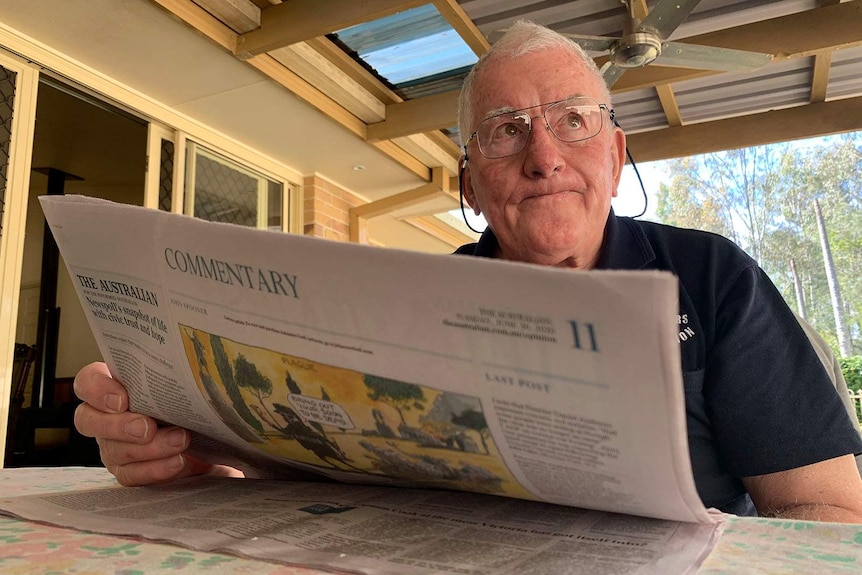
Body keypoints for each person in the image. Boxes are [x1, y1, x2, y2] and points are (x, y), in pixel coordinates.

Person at [73, 20, 862, 521]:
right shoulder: (420, 304)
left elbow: (825, 507)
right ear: (469, 185)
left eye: (574, 122)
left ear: (616, 155)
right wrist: (183, 450)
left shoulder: (713, 275)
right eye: (507, 130)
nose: (544, 156)